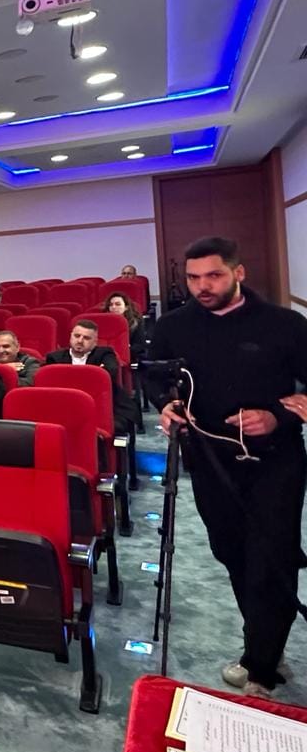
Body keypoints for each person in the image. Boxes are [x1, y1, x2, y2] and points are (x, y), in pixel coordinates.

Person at [151, 236, 307, 698]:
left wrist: (278, 416)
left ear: (239, 273)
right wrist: (166, 405)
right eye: (193, 278)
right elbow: (155, 377)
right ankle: (263, 638)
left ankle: (261, 668)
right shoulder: (173, 326)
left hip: (275, 461)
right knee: (232, 553)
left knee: (271, 559)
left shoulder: (284, 325)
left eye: (214, 275)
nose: (203, 286)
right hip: (209, 460)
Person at [103, 291, 148, 361]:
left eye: (118, 304)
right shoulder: (103, 322)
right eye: (110, 305)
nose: (113, 307)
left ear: (126, 307)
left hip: (130, 355)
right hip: (107, 356)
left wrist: (124, 351)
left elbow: (139, 345)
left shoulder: (136, 322)